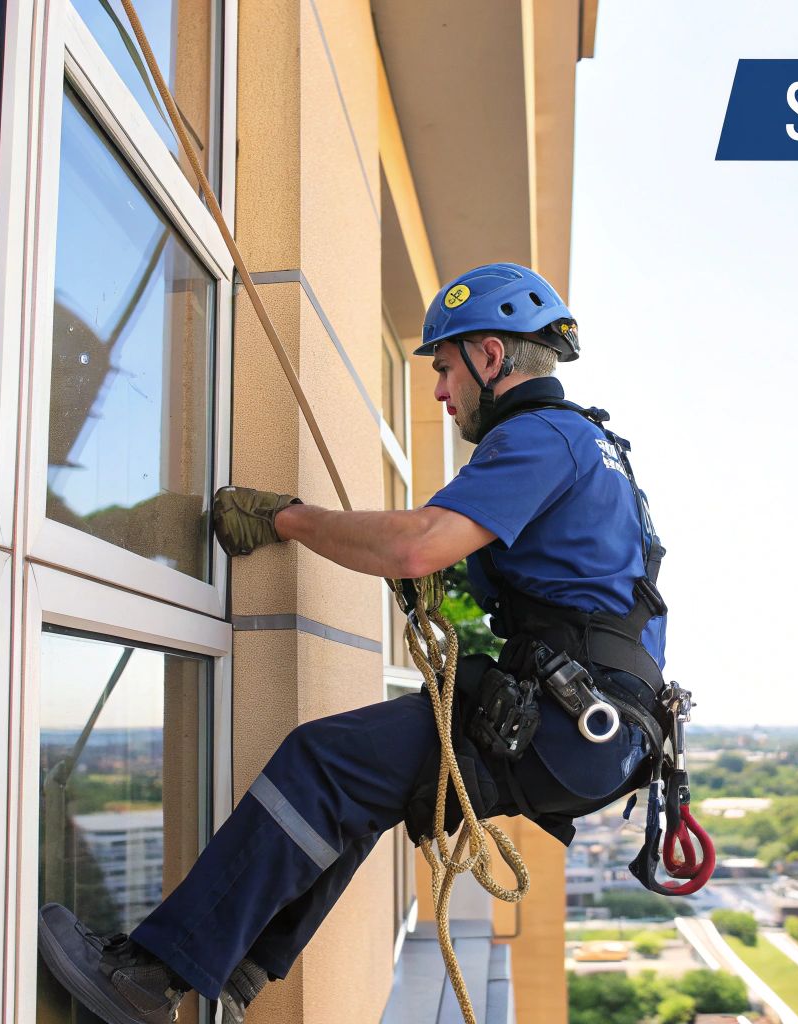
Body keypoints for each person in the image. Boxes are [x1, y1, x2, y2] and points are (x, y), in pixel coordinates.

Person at [39, 262, 672, 1024]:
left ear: (491, 357)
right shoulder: (593, 445)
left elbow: (415, 544)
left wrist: (288, 519)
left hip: (572, 721)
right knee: (365, 784)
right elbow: (555, 580)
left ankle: (148, 977)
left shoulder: (538, 437)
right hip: (599, 727)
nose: (438, 392)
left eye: (445, 368)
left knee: (320, 763)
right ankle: (236, 969)